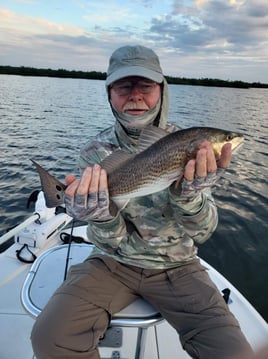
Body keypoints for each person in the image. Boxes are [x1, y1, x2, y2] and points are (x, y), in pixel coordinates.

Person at [31, 45, 253, 359]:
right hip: (110, 261)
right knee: (49, 337)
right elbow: (113, 236)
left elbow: (203, 233)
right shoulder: (95, 151)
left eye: (146, 86)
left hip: (177, 265)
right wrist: (101, 215)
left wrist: (189, 196)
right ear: (110, 93)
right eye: (124, 86)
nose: (135, 95)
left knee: (236, 353)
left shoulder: (195, 148)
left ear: (162, 90)